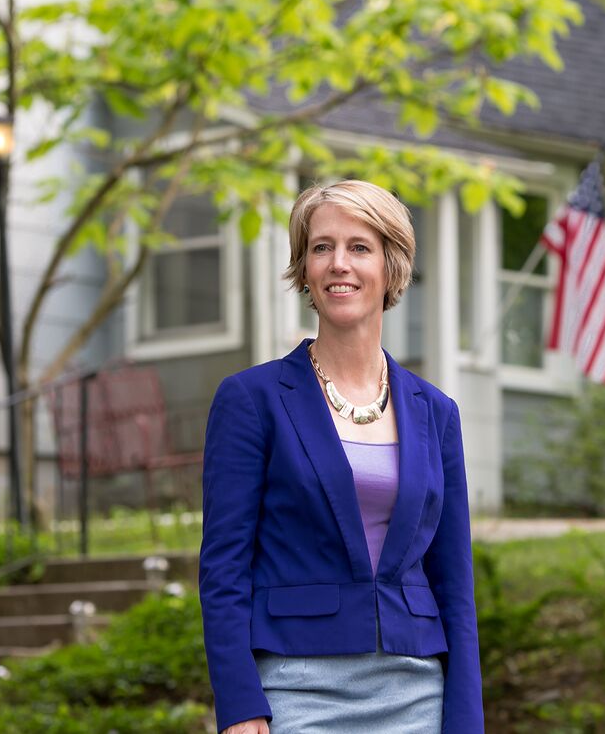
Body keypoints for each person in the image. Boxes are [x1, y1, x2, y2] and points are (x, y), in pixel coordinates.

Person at [198, 179, 483, 734]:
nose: (338, 264)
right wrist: (239, 704)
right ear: (303, 268)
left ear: (390, 265)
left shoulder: (436, 412)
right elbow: (224, 569)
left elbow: (455, 584)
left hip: (418, 691)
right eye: (321, 247)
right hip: (295, 691)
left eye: (359, 247)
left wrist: (465, 719)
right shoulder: (251, 400)